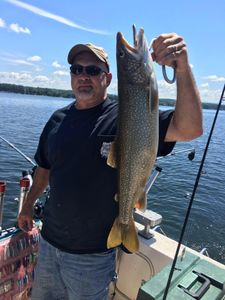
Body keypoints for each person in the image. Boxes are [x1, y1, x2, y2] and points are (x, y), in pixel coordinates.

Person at [17, 33, 203, 300]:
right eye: (77, 69)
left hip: (91, 257)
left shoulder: (124, 115)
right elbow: (43, 169)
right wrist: (27, 205)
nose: (83, 75)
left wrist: (183, 69)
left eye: (93, 70)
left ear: (108, 77)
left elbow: (190, 128)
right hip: (48, 242)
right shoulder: (57, 119)